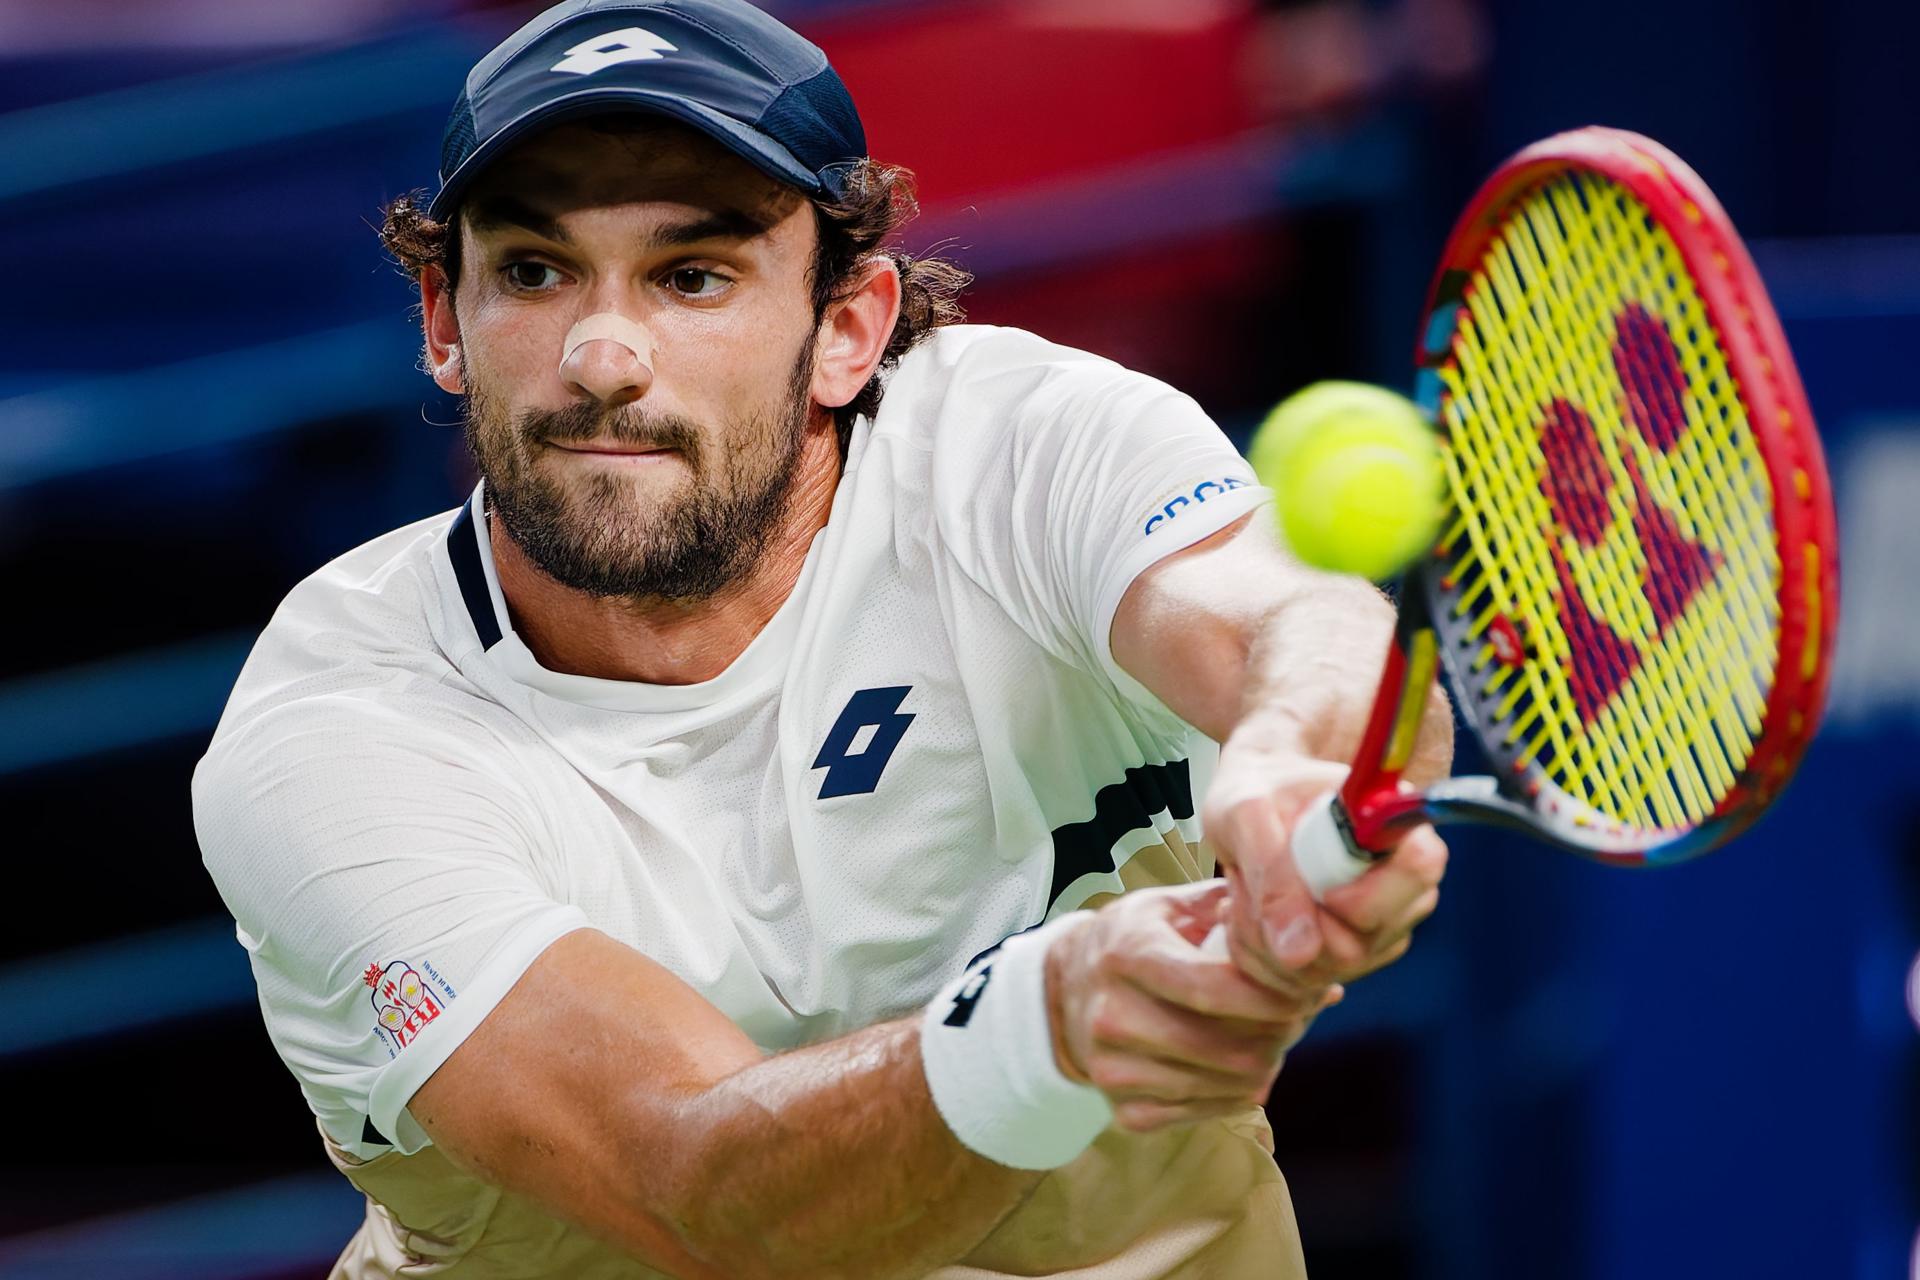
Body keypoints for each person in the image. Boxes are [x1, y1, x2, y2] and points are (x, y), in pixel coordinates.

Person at [193, 1, 1452, 1275]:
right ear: (443, 322)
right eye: (533, 270)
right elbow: (706, 1190)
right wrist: (1050, 1023)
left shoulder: (1022, 444)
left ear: (848, 327)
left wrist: (1297, 751)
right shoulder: (341, 724)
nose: (602, 353)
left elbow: (1285, 621)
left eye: (693, 276)